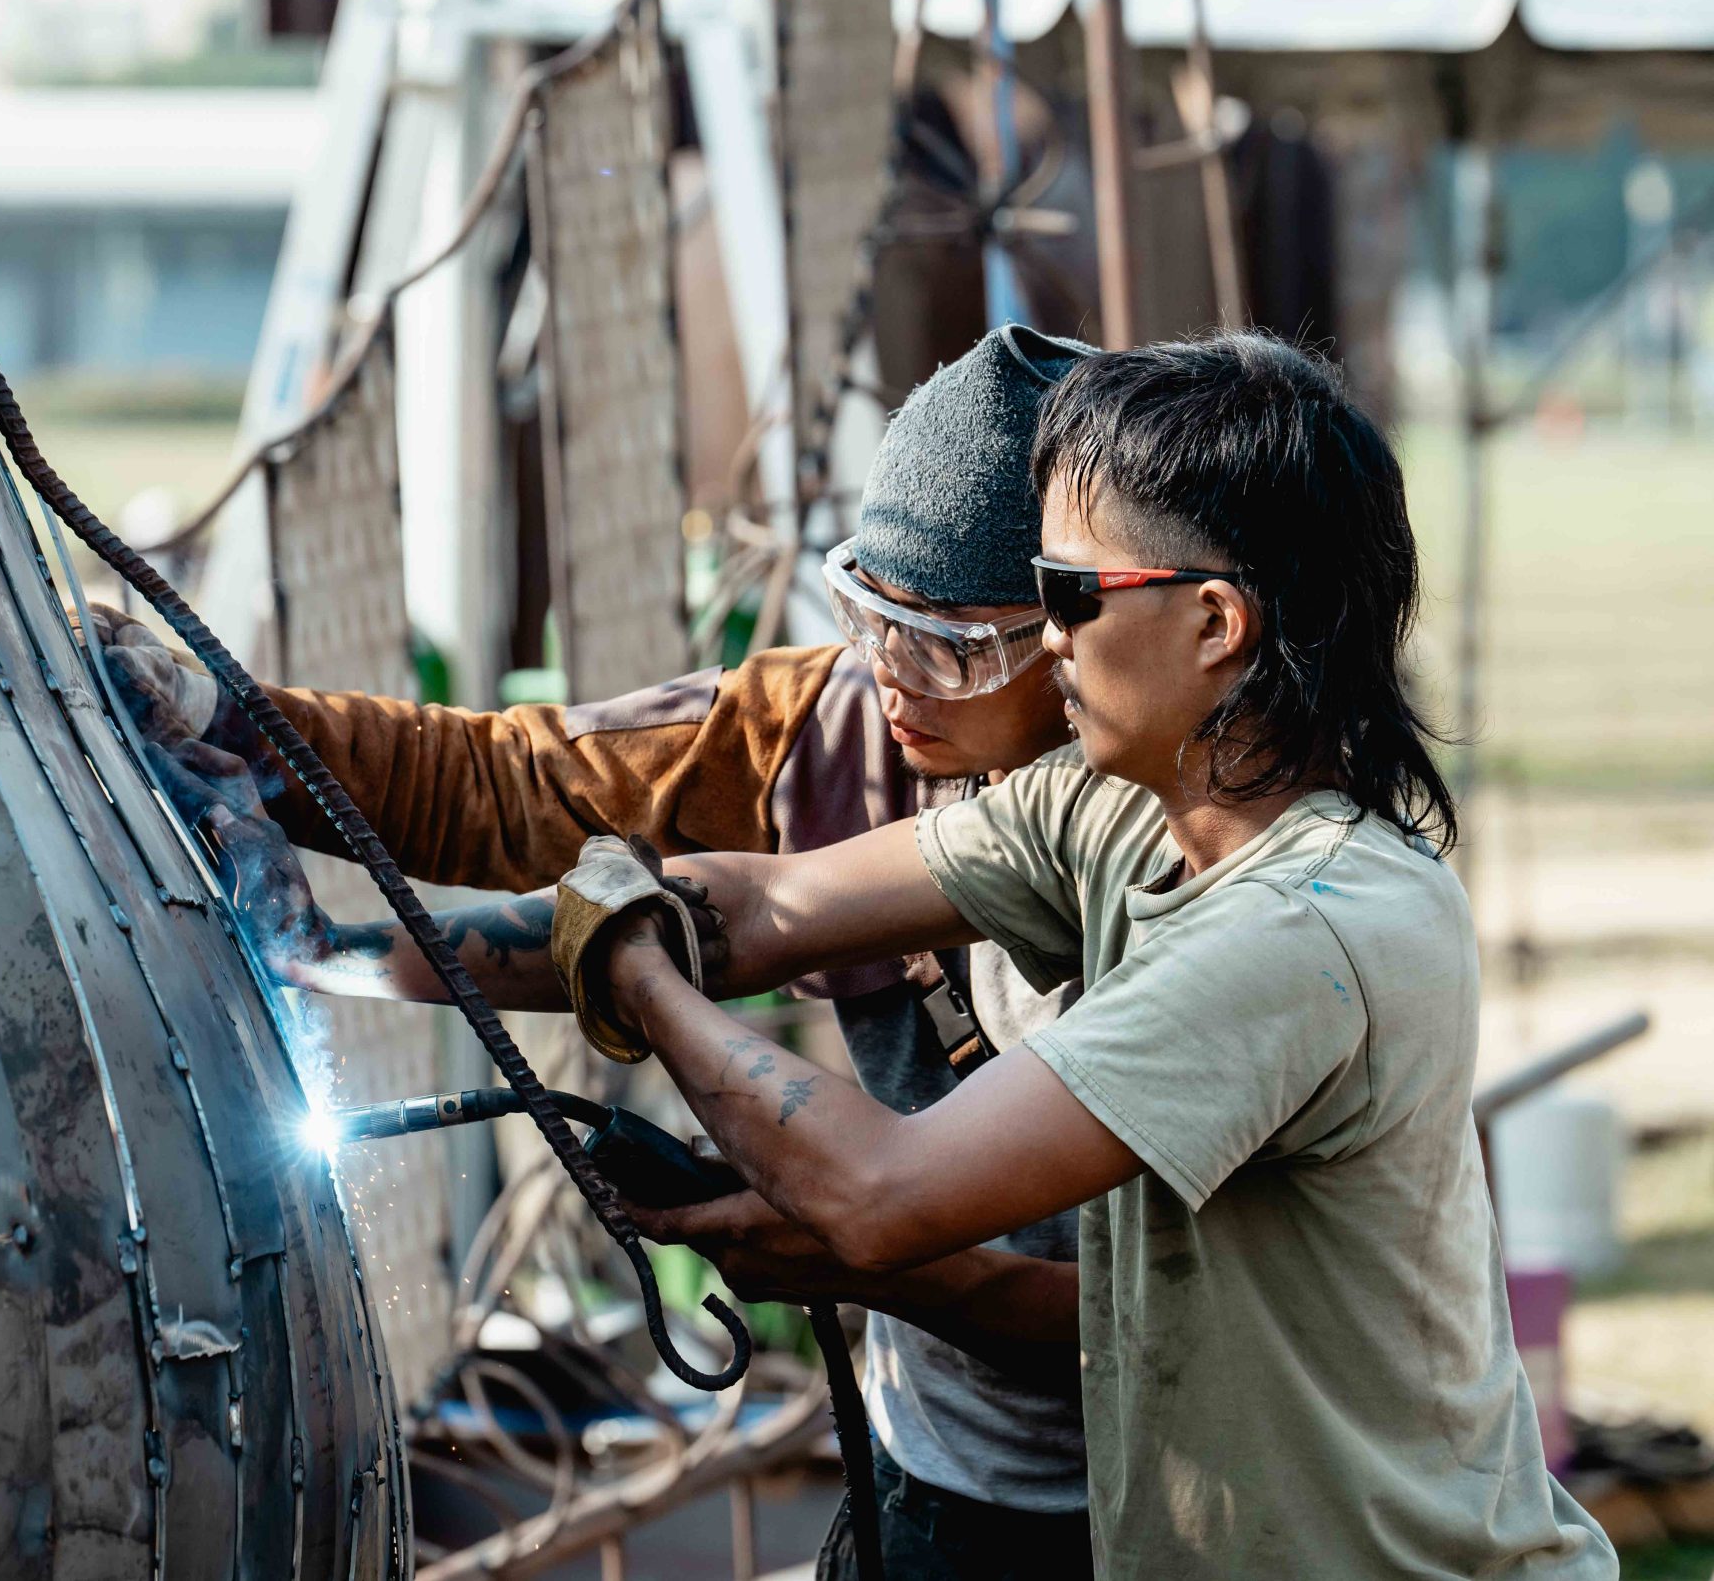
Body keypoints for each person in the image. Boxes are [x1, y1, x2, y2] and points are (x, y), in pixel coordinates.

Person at [272, 334, 1615, 1577]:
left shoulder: (1294, 931)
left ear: (1215, 627)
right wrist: (338, 947)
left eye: (1066, 596)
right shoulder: (1104, 803)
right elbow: (763, 904)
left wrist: (625, 962)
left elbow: (874, 1193)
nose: (906, 670)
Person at [104, 325, 1103, 1579]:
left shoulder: (1214, 874)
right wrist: (228, 737)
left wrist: (870, 1258)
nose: (896, 680)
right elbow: (529, 789)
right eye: (872, 618)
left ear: (1082, 632)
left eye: (954, 647)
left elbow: (1152, 1333)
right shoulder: (841, 733)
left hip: (1160, 1501)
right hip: (929, 1474)